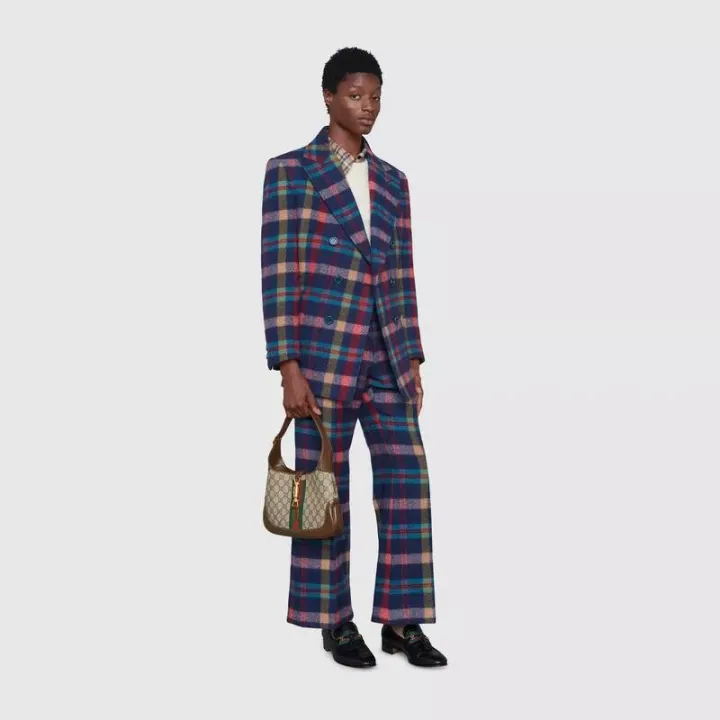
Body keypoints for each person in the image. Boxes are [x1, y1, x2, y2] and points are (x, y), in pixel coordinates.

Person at [260, 46, 447, 669]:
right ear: (329, 98)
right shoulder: (292, 171)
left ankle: (401, 620)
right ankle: (333, 621)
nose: (367, 108)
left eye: (375, 97)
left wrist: (412, 356)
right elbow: (279, 269)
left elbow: (402, 272)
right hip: (322, 357)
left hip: (388, 353)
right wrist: (287, 365)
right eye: (355, 96)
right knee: (324, 491)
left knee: (408, 485)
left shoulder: (393, 181)